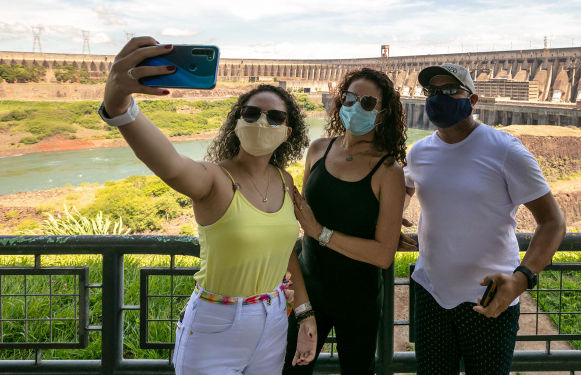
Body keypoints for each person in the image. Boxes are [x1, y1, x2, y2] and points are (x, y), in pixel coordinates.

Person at [100, 38, 317, 374]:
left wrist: (304, 312)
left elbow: (286, 252)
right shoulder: (214, 180)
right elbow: (171, 164)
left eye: (274, 117)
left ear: (288, 132)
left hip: (274, 317)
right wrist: (119, 107)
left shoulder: (285, 181)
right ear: (237, 122)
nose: (262, 122)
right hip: (217, 322)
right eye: (251, 113)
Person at [404, 62, 566, 375]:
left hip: (490, 298)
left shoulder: (505, 150)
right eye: (432, 91)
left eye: (450, 90)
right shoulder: (419, 152)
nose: (438, 98)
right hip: (431, 293)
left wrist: (521, 280)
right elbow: (406, 186)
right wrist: (390, 224)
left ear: (473, 100)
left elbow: (553, 222)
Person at [284, 67, 415, 374]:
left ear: (381, 114)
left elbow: (383, 256)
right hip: (308, 288)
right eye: (350, 98)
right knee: (291, 368)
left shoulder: (388, 171)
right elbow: (302, 213)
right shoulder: (318, 149)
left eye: (368, 103)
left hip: (358, 301)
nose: (356, 107)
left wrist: (319, 232)